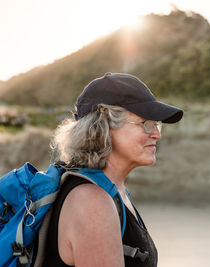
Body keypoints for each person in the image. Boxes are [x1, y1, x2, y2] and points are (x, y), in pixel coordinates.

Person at [42, 73, 183, 267]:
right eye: (146, 123)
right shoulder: (92, 202)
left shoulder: (113, 191)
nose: (157, 134)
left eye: (156, 124)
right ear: (103, 128)